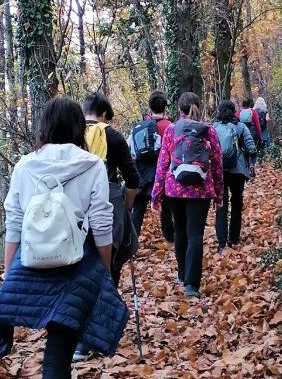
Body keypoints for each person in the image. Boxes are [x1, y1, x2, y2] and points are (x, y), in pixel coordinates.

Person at [0, 97, 128, 379]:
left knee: (56, 357)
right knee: (58, 356)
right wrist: (103, 274)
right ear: (78, 130)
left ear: (43, 128)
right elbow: (102, 225)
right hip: (74, 267)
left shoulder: (25, 166)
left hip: (32, 265)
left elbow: (13, 222)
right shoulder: (92, 166)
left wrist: (9, 278)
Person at [151, 92, 223, 299]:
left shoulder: (172, 130)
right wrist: (218, 194)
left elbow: (163, 164)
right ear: (198, 107)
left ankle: (182, 274)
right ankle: (192, 285)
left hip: (174, 188)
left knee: (180, 231)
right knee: (195, 234)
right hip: (201, 190)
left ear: (179, 109)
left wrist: (156, 193)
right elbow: (217, 165)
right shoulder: (209, 131)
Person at [82, 92, 140, 286]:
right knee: (111, 259)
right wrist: (128, 205)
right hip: (109, 203)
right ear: (105, 114)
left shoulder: (73, 133)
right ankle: (109, 301)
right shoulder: (113, 136)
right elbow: (132, 178)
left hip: (75, 207)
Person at [128, 90, 175, 244]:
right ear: (165, 108)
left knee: (139, 208)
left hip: (141, 173)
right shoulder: (169, 126)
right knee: (166, 207)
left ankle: (132, 242)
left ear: (150, 108)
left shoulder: (140, 126)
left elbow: (129, 146)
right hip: (161, 174)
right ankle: (169, 236)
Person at [212, 99, 258, 252]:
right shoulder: (241, 127)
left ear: (219, 111)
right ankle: (234, 237)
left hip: (219, 171)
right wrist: (250, 163)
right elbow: (251, 147)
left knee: (221, 205)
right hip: (238, 170)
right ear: (233, 111)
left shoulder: (213, 128)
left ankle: (221, 243)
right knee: (237, 202)